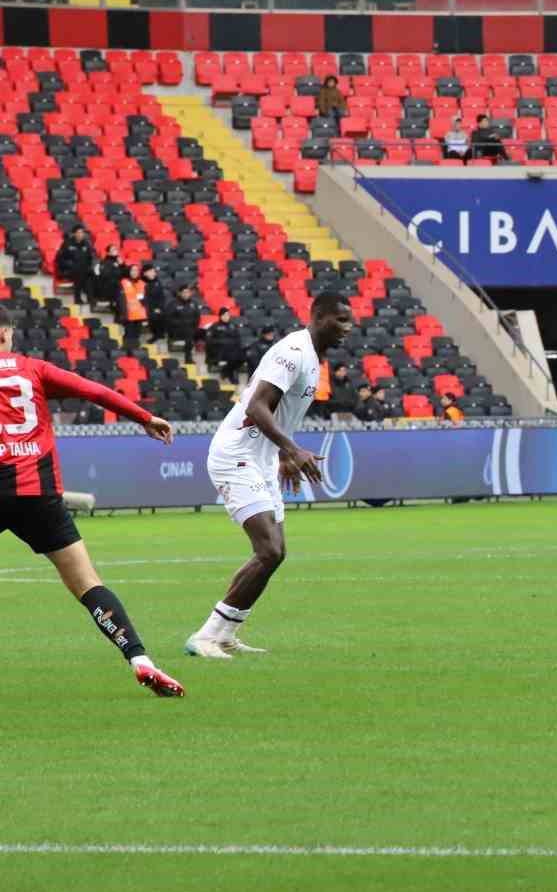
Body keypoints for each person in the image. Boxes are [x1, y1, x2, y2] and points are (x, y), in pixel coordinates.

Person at [0, 306, 184, 697]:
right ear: (6, 334)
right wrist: (143, 417)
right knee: (88, 584)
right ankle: (140, 660)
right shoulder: (33, 368)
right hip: (39, 496)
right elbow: (94, 391)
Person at [185, 293, 355, 659]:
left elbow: (279, 413)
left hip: (260, 459)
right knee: (269, 550)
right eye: (340, 320)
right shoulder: (293, 351)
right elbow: (256, 404)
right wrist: (292, 449)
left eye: (349, 321)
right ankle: (205, 636)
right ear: (319, 316)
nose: (347, 328)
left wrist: (280, 454)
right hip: (236, 455)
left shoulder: (314, 358)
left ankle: (227, 633)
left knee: (275, 554)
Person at [116, 264, 148, 352]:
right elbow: (120, 300)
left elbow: (146, 300)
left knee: (136, 335)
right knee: (128, 335)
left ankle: (135, 352)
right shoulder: (123, 282)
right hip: (128, 314)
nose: (135, 272)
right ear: (129, 272)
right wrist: (122, 314)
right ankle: (127, 352)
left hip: (140, 314)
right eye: (133, 270)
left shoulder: (142, 283)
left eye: (136, 270)